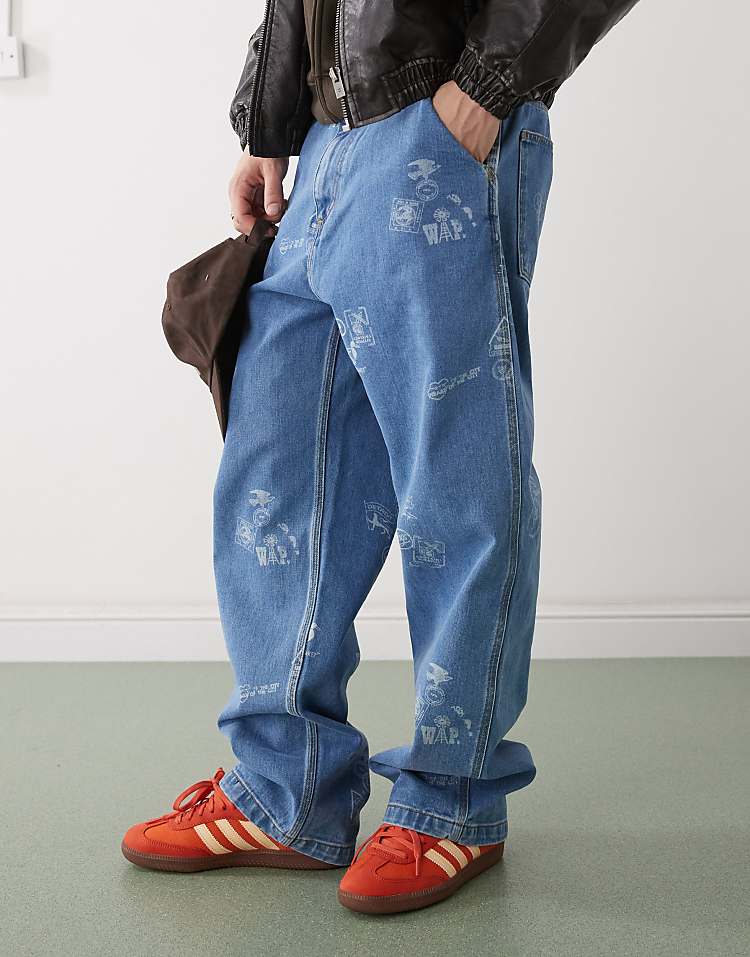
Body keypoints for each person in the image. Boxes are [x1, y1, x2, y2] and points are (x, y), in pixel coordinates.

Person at [123, 0, 640, 914]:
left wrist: (483, 91)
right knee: (277, 474)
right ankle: (285, 790)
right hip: (325, 143)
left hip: (441, 128)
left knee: (458, 479)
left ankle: (452, 802)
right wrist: (269, 124)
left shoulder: (464, 110)